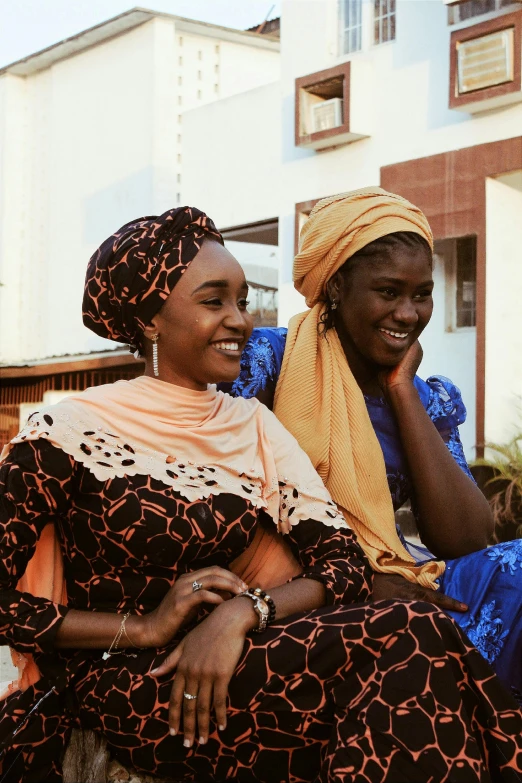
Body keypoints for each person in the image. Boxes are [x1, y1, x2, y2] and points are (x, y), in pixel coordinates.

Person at [0, 206, 521, 783]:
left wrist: (242, 615)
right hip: (136, 681)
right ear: (150, 318)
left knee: (413, 640)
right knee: (409, 638)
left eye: (243, 302)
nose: (240, 321)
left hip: (241, 657)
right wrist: (145, 627)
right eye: (213, 301)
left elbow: (343, 565)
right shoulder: (69, 431)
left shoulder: (253, 424)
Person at [224, 187, 522, 706]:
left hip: (396, 576)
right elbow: (223, 506)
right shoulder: (267, 363)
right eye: (388, 292)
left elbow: (469, 537)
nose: (408, 314)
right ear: (337, 286)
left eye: (422, 294)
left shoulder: (427, 400)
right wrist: (352, 582)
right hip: (294, 591)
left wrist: (402, 391)